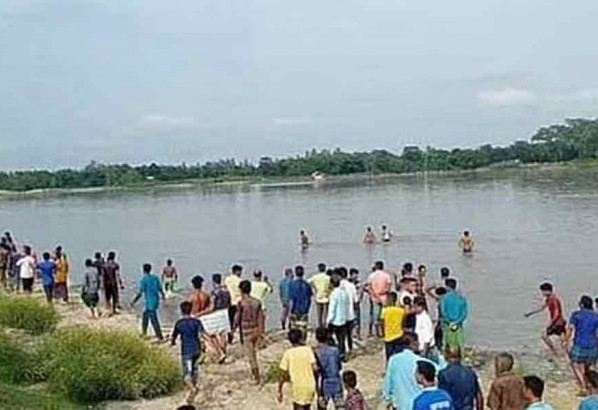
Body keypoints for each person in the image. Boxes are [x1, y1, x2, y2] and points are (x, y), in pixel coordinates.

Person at [384, 332, 436, 410]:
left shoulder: (393, 360)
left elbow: (387, 386)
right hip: (420, 405)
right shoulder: (421, 361)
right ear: (413, 344)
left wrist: (388, 399)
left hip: (401, 405)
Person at [171, 301, 206, 405]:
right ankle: (192, 389)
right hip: (196, 349)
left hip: (186, 351)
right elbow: (201, 334)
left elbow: (174, 336)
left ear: (181, 311)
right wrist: (203, 346)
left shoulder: (179, 323)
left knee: (186, 373)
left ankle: (193, 389)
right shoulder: (196, 322)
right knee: (194, 370)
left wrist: (172, 342)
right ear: (191, 310)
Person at [564, 295, 598, 395]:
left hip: (580, 345)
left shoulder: (576, 315)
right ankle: (591, 386)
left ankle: (583, 387)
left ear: (582, 304)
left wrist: (565, 341)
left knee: (575, 364)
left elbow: (570, 329)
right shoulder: (596, 316)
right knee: (588, 368)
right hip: (593, 346)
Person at [234, 280, 265, 385]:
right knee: (254, 354)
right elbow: (261, 318)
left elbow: (238, 318)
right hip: (255, 329)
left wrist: (233, 329)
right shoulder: (257, 302)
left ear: (241, 290)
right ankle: (256, 375)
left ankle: (256, 377)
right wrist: (261, 332)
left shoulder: (241, 303)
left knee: (251, 356)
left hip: (246, 331)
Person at [278, 328, 317, 410]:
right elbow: (315, 368)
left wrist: (280, 389)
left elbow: (282, 373)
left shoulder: (288, 353)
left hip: (298, 387)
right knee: (307, 407)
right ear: (301, 339)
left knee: (298, 407)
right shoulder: (308, 350)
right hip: (310, 385)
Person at [524, 282, 567, 356]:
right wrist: (530, 313)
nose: (542, 293)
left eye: (543, 291)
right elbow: (542, 308)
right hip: (561, 322)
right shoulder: (549, 299)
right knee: (562, 339)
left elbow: (556, 312)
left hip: (557, 322)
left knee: (544, 335)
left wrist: (551, 323)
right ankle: (564, 353)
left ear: (548, 291)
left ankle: (554, 352)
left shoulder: (553, 299)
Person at [438, 345, 484, 410]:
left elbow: (443, 398)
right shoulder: (471, 373)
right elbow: (479, 397)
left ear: (446, 356)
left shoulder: (444, 374)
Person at [131, 263, 165, 341]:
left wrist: (134, 301)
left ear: (143, 270)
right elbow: (160, 289)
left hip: (150, 302)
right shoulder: (155, 278)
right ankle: (144, 333)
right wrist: (163, 297)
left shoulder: (144, 280)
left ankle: (160, 336)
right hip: (155, 300)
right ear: (150, 269)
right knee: (145, 316)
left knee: (153, 319)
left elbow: (140, 293)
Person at [314, 327, 343, 410]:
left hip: (325, 382)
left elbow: (317, 371)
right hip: (336, 381)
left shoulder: (317, 352)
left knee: (322, 406)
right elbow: (339, 367)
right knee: (340, 406)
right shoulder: (335, 350)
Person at [439, 278, 468, 350]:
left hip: (447, 323)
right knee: (459, 342)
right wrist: (457, 321)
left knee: (448, 342)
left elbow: (443, 312)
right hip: (459, 324)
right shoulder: (461, 297)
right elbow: (464, 313)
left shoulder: (444, 298)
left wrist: (449, 321)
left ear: (447, 286)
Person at [327, 274, 350, 362]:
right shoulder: (344, 293)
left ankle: (333, 353)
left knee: (330, 337)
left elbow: (332, 308)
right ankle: (342, 354)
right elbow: (347, 306)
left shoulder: (334, 294)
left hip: (335, 320)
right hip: (343, 319)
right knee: (341, 339)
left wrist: (328, 320)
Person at [209, 273, 231, 363]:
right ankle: (224, 352)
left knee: (211, 334)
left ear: (213, 281)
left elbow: (212, 306)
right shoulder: (226, 291)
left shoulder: (214, 291)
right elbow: (229, 303)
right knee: (223, 335)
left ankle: (220, 352)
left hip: (217, 313)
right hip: (225, 312)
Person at [367, 261, 392, 337]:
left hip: (375, 296)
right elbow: (389, 287)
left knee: (376, 315)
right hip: (384, 295)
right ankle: (383, 332)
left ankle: (377, 332)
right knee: (384, 315)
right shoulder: (386, 275)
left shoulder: (372, 276)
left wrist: (374, 295)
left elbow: (370, 287)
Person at [381, 292, 406, 361]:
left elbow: (382, 323)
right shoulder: (401, 310)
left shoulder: (385, 310)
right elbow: (403, 323)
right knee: (398, 356)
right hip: (399, 335)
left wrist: (383, 333)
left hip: (388, 336)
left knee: (389, 357)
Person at [289, 265, 313, 331]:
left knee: (294, 329)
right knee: (303, 328)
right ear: (303, 273)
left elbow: (291, 299)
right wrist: (308, 309)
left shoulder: (292, 284)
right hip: (304, 310)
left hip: (295, 309)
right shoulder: (307, 285)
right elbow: (309, 298)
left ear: (295, 273)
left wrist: (290, 312)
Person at [339, 267, 357, 353]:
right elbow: (356, 300)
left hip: (340, 314)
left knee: (341, 335)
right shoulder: (351, 286)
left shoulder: (338, 286)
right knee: (349, 334)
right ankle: (350, 349)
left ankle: (342, 350)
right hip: (350, 313)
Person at [308, 263, 331, 328]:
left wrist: (314, 287)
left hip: (318, 297)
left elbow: (308, 282)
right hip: (326, 297)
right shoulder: (328, 278)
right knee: (325, 315)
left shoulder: (315, 277)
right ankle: (325, 326)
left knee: (319, 315)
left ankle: (320, 326)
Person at [224, 264, 243, 343]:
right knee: (240, 321)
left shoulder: (227, 279)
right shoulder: (240, 281)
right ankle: (241, 338)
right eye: (240, 271)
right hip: (238, 302)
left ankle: (230, 338)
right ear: (237, 271)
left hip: (229, 303)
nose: (241, 273)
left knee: (230, 321)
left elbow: (225, 288)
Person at [349, 268, 364, 340]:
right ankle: (351, 334)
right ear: (351, 275)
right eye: (354, 274)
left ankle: (358, 334)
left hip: (356, 303)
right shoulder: (348, 284)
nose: (356, 276)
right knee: (350, 320)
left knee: (357, 320)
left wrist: (359, 300)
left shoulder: (359, 283)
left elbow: (361, 293)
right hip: (349, 304)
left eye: (356, 274)